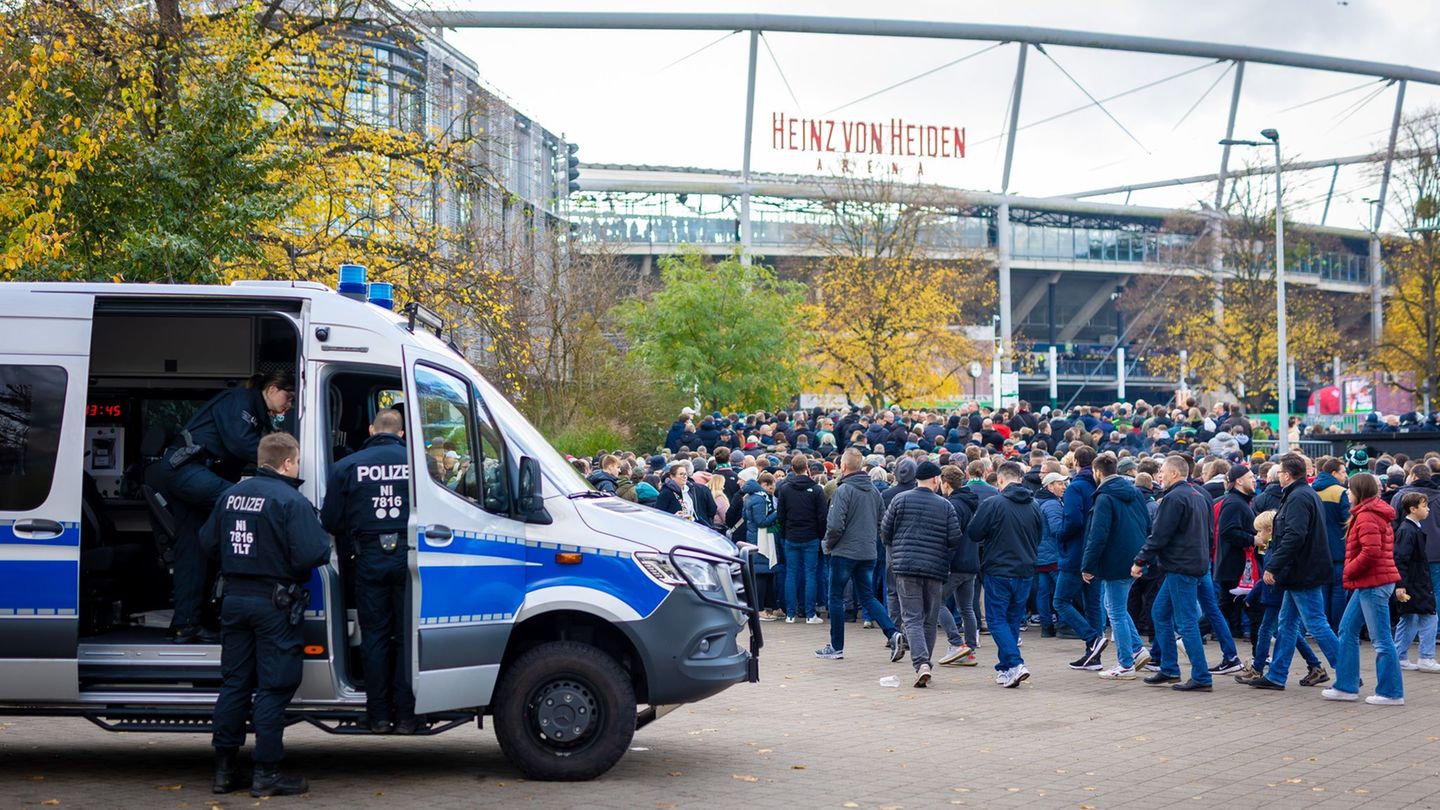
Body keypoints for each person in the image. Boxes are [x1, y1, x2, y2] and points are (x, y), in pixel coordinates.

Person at [201, 433, 330, 797]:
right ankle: (266, 774)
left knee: (235, 683)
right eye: (298, 461)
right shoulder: (290, 499)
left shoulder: (228, 496)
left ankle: (224, 772)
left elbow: (207, 544)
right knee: (273, 688)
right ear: (287, 463)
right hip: (274, 604)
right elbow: (314, 553)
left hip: (234, 599)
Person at [154, 371, 296, 644]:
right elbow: (239, 443)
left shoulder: (255, 412)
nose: (287, 405)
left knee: (195, 551)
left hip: (193, 475)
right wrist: (283, 460)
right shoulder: (240, 400)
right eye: (287, 398)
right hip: (187, 470)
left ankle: (186, 625)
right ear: (272, 388)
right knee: (243, 501)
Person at [319, 408, 416, 735]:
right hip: (409, 558)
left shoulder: (345, 467)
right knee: (406, 636)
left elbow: (331, 521)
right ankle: (405, 716)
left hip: (367, 558)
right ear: (402, 434)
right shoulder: (418, 466)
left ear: (372, 430)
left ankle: (378, 717)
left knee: (374, 637)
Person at [1247, 454, 1341, 691]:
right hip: (1301, 571)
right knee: (1287, 623)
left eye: (1279, 473)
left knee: (1316, 623)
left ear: (1287, 475)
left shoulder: (1298, 497)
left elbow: (1294, 536)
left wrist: (1273, 566)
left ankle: (1347, 670)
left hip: (1302, 571)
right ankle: (1277, 675)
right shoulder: (1302, 494)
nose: (1278, 476)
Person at [1132, 455, 1212, 692]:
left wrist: (1140, 560)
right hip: (1190, 564)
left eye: (1163, 472)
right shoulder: (1197, 495)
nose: (1160, 476)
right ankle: (1169, 668)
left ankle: (1201, 675)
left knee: (1186, 622)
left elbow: (1159, 535)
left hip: (1181, 566)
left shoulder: (1174, 498)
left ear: (1175, 473)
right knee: (1160, 613)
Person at [815, 448, 904, 661]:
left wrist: (828, 544)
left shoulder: (843, 490)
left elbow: (835, 524)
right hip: (867, 551)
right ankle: (893, 633)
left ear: (843, 466)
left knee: (835, 596)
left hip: (844, 552)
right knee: (868, 596)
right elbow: (882, 521)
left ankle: (837, 647)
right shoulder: (873, 491)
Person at [882, 461, 965, 687]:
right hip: (935, 568)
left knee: (912, 617)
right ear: (936, 479)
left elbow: (885, 531)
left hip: (905, 566)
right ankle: (924, 662)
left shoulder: (899, 500)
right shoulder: (945, 505)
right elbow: (955, 538)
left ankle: (921, 664)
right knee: (929, 618)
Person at [1324, 473, 1404, 705]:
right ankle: (1346, 686)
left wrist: (1349, 570)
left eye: (1349, 489)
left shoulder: (1367, 515)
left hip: (1374, 583)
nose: (1347, 492)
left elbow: (1371, 551)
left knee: (1381, 639)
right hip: (1370, 582)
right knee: (1347, 630)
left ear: (1358, 491)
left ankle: (1391, 692)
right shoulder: (1369, 512)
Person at [966, 461, 1044, 688]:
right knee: (1011, 619)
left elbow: (974, 532)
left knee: (997, 619)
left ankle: (1016, 663)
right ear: (1019, 478)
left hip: (999, 569)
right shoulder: (1034, 505)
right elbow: (1039, 536)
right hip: (1025, 569)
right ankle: (1005, 668)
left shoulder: (993, 503)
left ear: (1000, 480)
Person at [1081, 454, 1152, 680]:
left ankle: (1125, 663)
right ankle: (1137, 649)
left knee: (1115, 610)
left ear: (1098, 472)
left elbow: (1097, 535)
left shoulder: (1104, 498)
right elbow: (1147, 525)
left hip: (1115, 560)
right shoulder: (1136, 493)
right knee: (1114, 606)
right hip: (1134, 557)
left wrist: (1088, 565)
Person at [1058, 446, 1105, 671]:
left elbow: (1073, 521)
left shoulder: (1075, 487)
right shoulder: (1100, 486)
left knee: (1060, 601)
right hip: (1096, 552)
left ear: (1076, 462)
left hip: (1076, 552)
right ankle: (1093, 656)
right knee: (1093, 603)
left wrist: (1060, 534)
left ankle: (1092, 639)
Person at [937, 465, 981, 665]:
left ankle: (957, 643)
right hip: (971, 561)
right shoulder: (971, 502)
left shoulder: (953, 505)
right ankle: (970, 650)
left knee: (936, 602)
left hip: (955, 563)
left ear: (946, 484)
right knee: (966, 608)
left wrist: (943, 562)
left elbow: (951, 538)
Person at [777, 455, 828, 624]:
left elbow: (781, 515)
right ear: (807, 467)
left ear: (792, 468)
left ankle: (790, 614)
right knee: (810, 574)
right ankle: (809, 613)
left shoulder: (785, 489)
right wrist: (820, 535)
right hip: (811, 537)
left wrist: (785, 533)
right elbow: (822, 516)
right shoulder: (816, 489)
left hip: (791, 536)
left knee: (791, 574)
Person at [1393, 491, 1440, 673]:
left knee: (1409, 617)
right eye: (1424, 506)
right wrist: (1401, 584)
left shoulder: (1412, 528)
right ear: (1413, 509)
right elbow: (1401, 558)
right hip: (1415, 582)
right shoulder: (1408, 530)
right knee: (1430, 616)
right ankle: (1426, 657)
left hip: (1413, 581)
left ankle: (1400, 656)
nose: (1427, 509)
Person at [1215, 465, 1258, 638]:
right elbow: (1228, 531)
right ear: (1239, 481)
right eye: (1250, 477)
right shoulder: (1234, 502)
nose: (1254, 479)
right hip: (1234, 567)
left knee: (1224, 609)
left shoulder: (1240, 501)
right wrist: (1253, 539)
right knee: (1252, 611)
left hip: (1236, 566)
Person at [1312, 458, 1350, 629]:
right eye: (1343, 472)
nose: (1345, 476)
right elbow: (1347, 520)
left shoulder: (1311, 490)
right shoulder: (1340, 492)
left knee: (1321, 592)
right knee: (1337, 591)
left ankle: (1322, 628)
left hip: (1317, 550)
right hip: (1337, 549)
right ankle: (1337, 627)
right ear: (1334, 473)